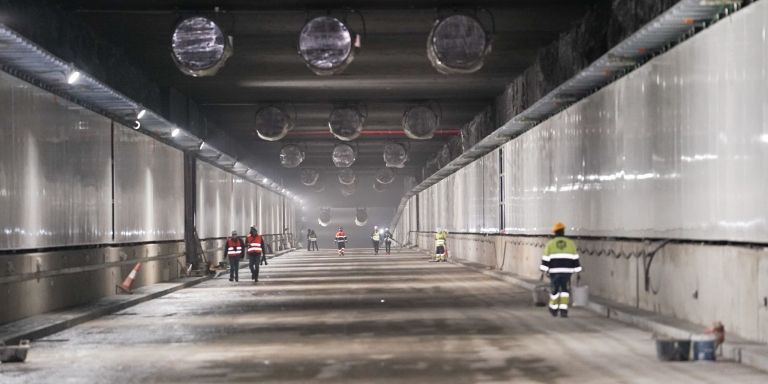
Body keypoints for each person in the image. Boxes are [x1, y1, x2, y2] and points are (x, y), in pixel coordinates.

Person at [539, 222, 582, 318]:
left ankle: (553, 308)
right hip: (567, 272)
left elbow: (546, 259)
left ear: (555, 232)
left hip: (554, 272)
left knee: (554, 290)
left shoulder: (550, 244)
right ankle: (563, 310)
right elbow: (575, 259)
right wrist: (578, 271)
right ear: (563, 231)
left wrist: (542, 271)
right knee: (564, 290)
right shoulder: (570, 243)